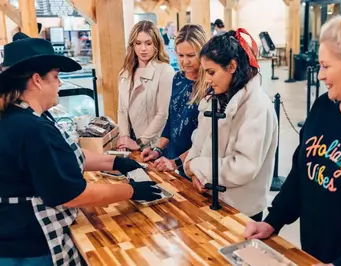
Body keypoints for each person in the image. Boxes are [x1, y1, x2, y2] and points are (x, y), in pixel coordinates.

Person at [244, 4, 341, 266]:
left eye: (326, 66)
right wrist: (273, 220)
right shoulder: (324, 106)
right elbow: (301, 172)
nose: (321, 75)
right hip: (313, 255)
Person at [0, 34, 161, 266]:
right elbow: (73, 194)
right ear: (37, 80)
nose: (60, 83)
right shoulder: (30, 129)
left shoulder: (23, 116)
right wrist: (130, 191)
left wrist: (116, 162)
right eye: (55, 77)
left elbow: (61, 158)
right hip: (27, 249)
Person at [183, 28, 278, 221]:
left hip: (241, 209)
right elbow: (199, 141)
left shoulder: (258, 106)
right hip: (208, 198)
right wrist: (193, 170)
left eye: (211, 72)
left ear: (232, 66)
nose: (207, 80)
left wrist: (198, 167)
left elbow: (243, 167)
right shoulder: (215, 97)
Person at [141, 24, 208, 178]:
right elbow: (172, 120)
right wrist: (157, 149)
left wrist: (176, 162)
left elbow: (206, 139)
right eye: (180, 55)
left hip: (194, 164)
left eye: (191, 55)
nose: (185, 61)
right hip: (170, 158)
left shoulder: (210, 85)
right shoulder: (177, 79)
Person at [117, 20, 175, 152]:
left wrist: (140, 142)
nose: (143, 49)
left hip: (155, 147)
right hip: (131, 146)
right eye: (138, 43)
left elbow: (163, 114)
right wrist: (124, 139)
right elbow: (121, 111)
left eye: (148, 43)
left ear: (156, 44)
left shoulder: (165, 70)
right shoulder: (124, 72)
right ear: (132, 45)